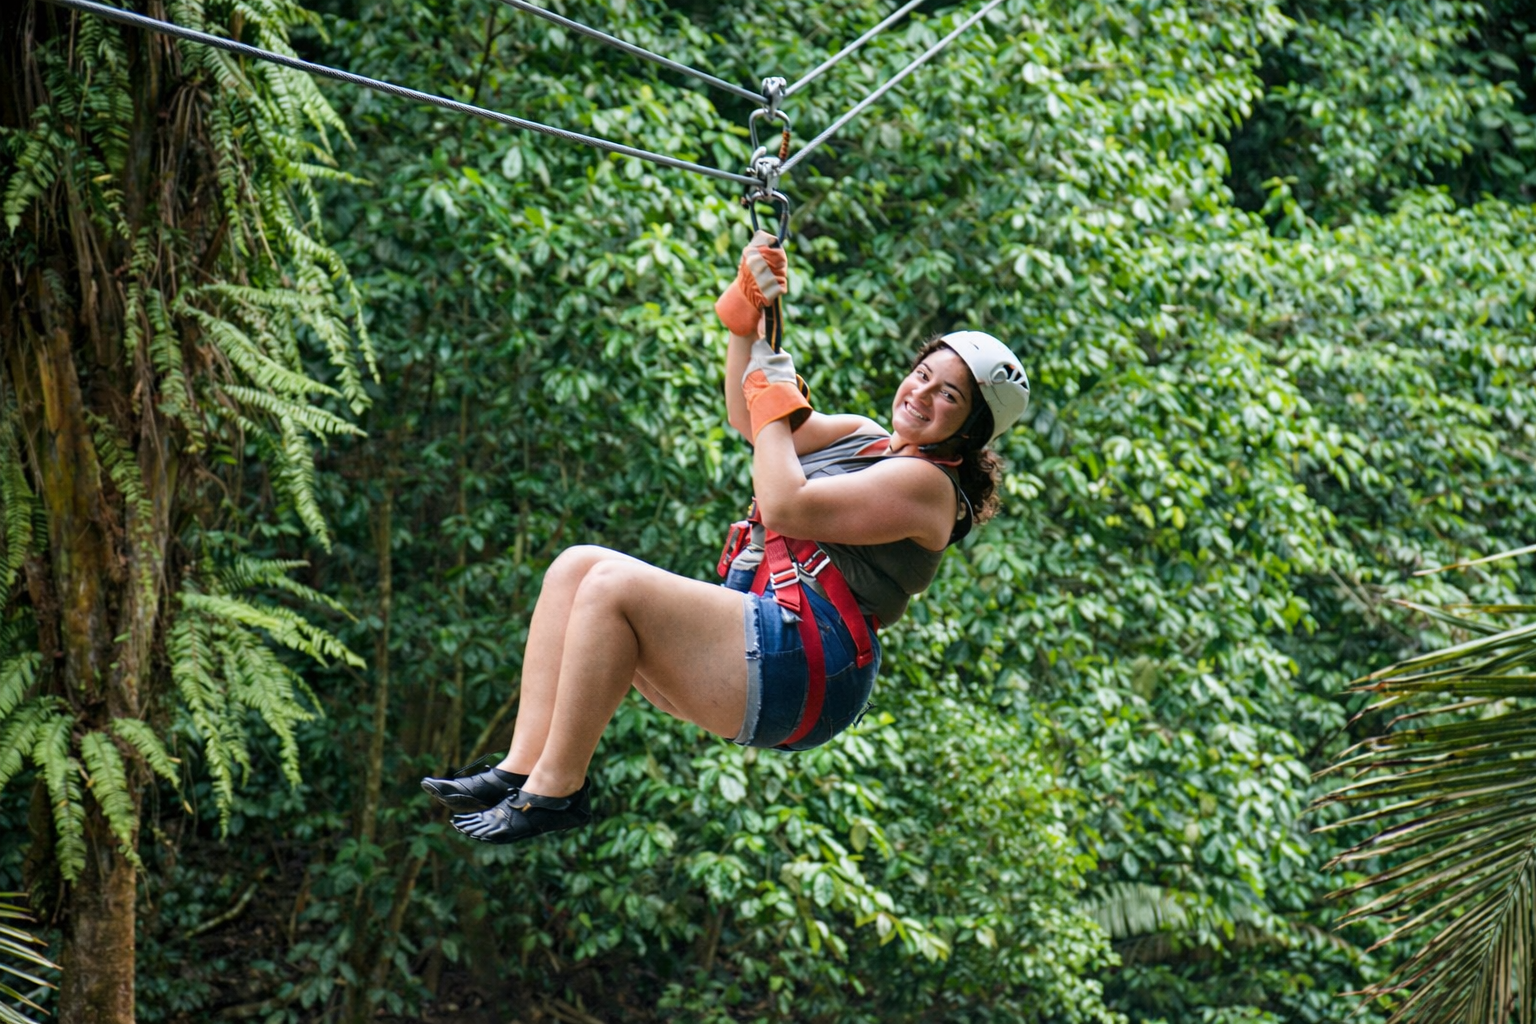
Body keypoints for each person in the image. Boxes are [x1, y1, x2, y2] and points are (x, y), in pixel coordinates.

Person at [421, 232, 1030, 844]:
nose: (920, 394)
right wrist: (745, 318)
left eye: (946, 395)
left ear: (971, 429)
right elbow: (750, 421)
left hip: (812, 668)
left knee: (610, 586)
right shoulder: (864, 437)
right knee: (575, 566)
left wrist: (773, 397)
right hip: (772, 637)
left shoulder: (930, 490)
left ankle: (558, 790)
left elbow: (786, 504)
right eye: (921, 375)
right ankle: (521, 767)